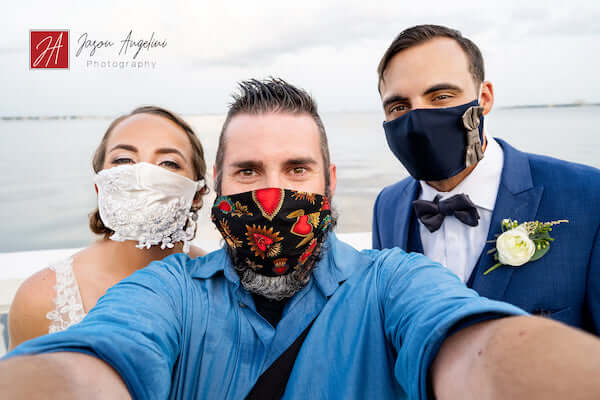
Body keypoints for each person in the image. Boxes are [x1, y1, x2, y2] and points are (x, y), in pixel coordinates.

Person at [3, 79, 600, 400]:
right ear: (216, 185)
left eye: (296, 170)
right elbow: (100, 359)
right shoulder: (169, 292)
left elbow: (477, 348)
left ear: (330, 182)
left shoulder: (390, 283)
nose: (271, 194)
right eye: (247, 172)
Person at [372, 25, 600, 334]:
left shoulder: (588, 196)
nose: (418, 119)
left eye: (441, 96)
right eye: (399, 106)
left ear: (485, 98)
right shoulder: (387, 206)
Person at [7, 106, 209, 350]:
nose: (142, 174)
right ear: (99, 186)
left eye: (168, 163)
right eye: (123, 160)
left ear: (197, 194)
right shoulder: (39, 300)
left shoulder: (220, 285)